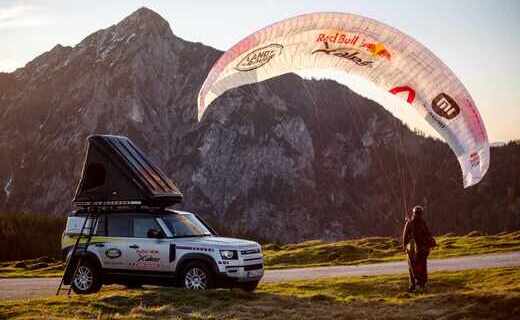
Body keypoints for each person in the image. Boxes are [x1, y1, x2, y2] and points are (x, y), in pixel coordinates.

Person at [402, 205, 436, 292]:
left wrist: (405, 247)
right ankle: (420, 284)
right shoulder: (421, 223)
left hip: (414, 251)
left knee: (413, 268)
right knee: (421, 267)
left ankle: (416, 285)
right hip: (421, 249)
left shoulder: (410, 223)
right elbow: (428, 234)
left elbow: (405, 237)